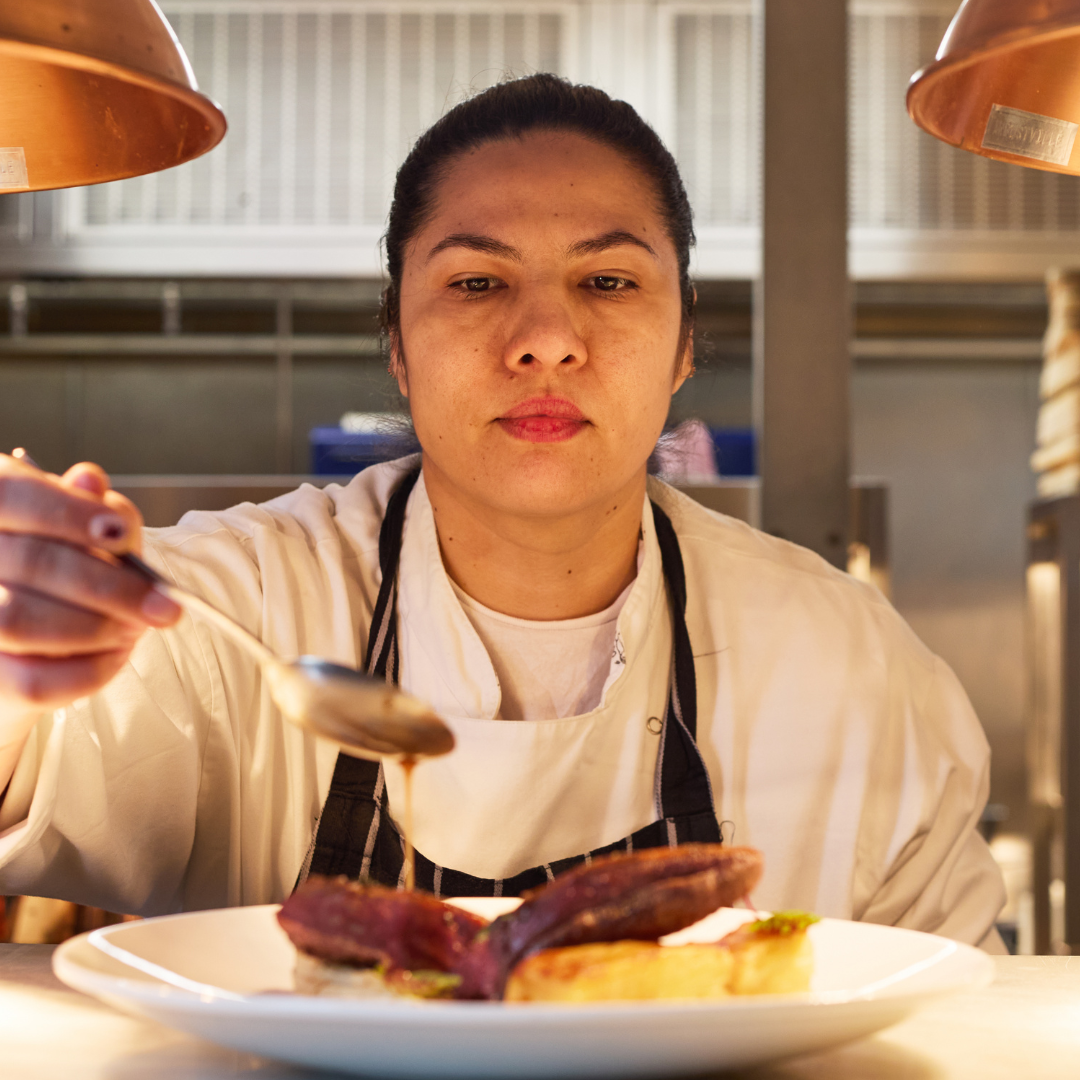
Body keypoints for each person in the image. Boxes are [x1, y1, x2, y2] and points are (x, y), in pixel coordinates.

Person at [0, 75, 1004, 946]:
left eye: (608, 280)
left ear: (685, 344)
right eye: (477, 281)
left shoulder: (851, 668)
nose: (546, 338)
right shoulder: (233, 609)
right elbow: (28, 758)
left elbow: (956, 1021)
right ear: (397, 343)